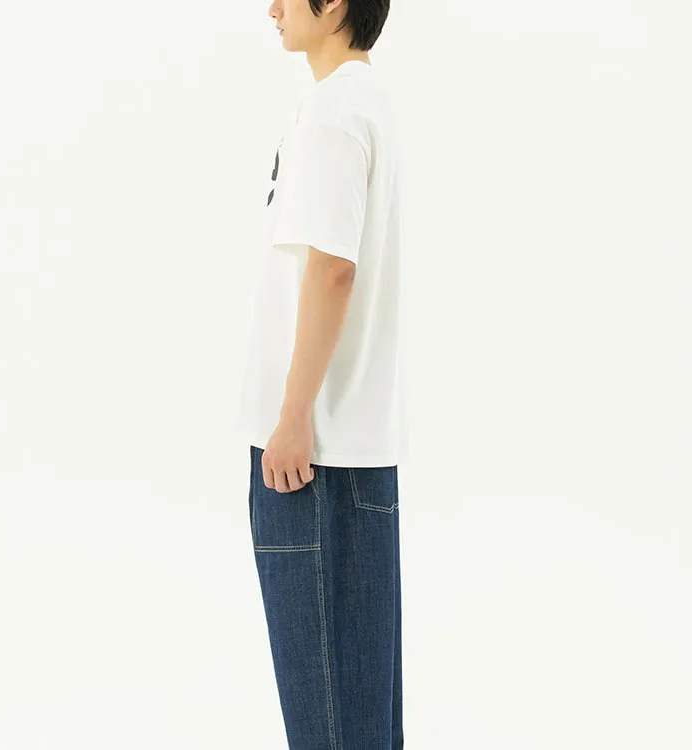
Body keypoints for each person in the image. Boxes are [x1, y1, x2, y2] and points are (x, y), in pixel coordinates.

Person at [235, 1, 407, 746]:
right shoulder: (365, 105)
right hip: (354, 453)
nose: (271, 8)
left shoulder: (333, 115)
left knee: (330, 726)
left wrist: (293, 416)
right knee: (362, 721)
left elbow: (333, 270)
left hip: (311, 460)